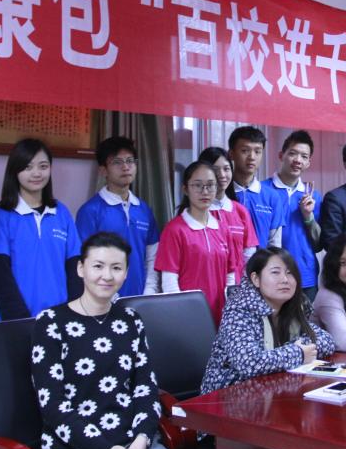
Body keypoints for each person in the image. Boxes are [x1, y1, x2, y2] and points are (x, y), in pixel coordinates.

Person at [30, 232, 198, 449]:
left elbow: (146, 389)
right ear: (81, 268)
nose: (106, 276)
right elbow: (53, 407)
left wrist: (142, 439)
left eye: (116, 268)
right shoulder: (51, 323)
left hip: (133, 441)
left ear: (126, 273)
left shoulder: (131, 320)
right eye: (98, 266)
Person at [201, 248, 334, 394]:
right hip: (227, 394)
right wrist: (299, 353)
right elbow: (249, 363)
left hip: (272, 388)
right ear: (256, 279)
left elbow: (326, 340)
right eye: (275, 272)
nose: (285, 279)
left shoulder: (292, 305)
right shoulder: (239, 309)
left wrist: (297, 349)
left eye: (290, 273)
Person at [0, 138, 82, 320]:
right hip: (17, 320)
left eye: (43, 166)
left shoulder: (61, 213)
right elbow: (0, 275)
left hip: (60, 319)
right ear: (15, 170)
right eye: (27, 167)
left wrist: (72, 314)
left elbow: (75, 269)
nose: (36, 173)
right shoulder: (1, 217)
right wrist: (19, 320)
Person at [75, 136, 159, 297]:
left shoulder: (143, 209)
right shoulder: (90, 211)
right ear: (103, 170)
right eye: (117, 162)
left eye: (130, 161)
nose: (125, 167)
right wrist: (108, 295)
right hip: (103, 299)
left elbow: (152, 255)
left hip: (141, 297)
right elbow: (84, 258)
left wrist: (150, 290)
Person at [154, 161, 236, 323]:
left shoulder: (223, 229)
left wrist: (231, 309)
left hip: (222, 315)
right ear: (185, 189)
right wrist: (181, 315)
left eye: (210, 185)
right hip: (188, 317)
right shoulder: (174, 230)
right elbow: (169, 281)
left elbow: (230, 275)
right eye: (197, 185)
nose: (204, 191)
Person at [263, 130, 322, 301]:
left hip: (305, 275)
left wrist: (308, 216)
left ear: (308, 163)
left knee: (305, 318)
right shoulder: (262, 190)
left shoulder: (313, 196)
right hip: (269, 273)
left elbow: (318, 244)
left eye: (304, 156)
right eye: (292, 153)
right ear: (281, 155)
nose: (298, 160)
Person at [198, 146, 259, 286]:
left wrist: (244, 287)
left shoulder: (240, 211)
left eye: (226, 169)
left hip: (236, 288)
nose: (222, 175)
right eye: (215, 170)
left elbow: (249, 256)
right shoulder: (195, 212)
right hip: (203, 286)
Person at [228, 125, 286, 248]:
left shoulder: (271, 197)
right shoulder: (222, 193)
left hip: (260, 260)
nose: (252, 157)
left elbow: (274, 244)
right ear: (231, 154)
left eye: (257, 151)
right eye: (245, 151)